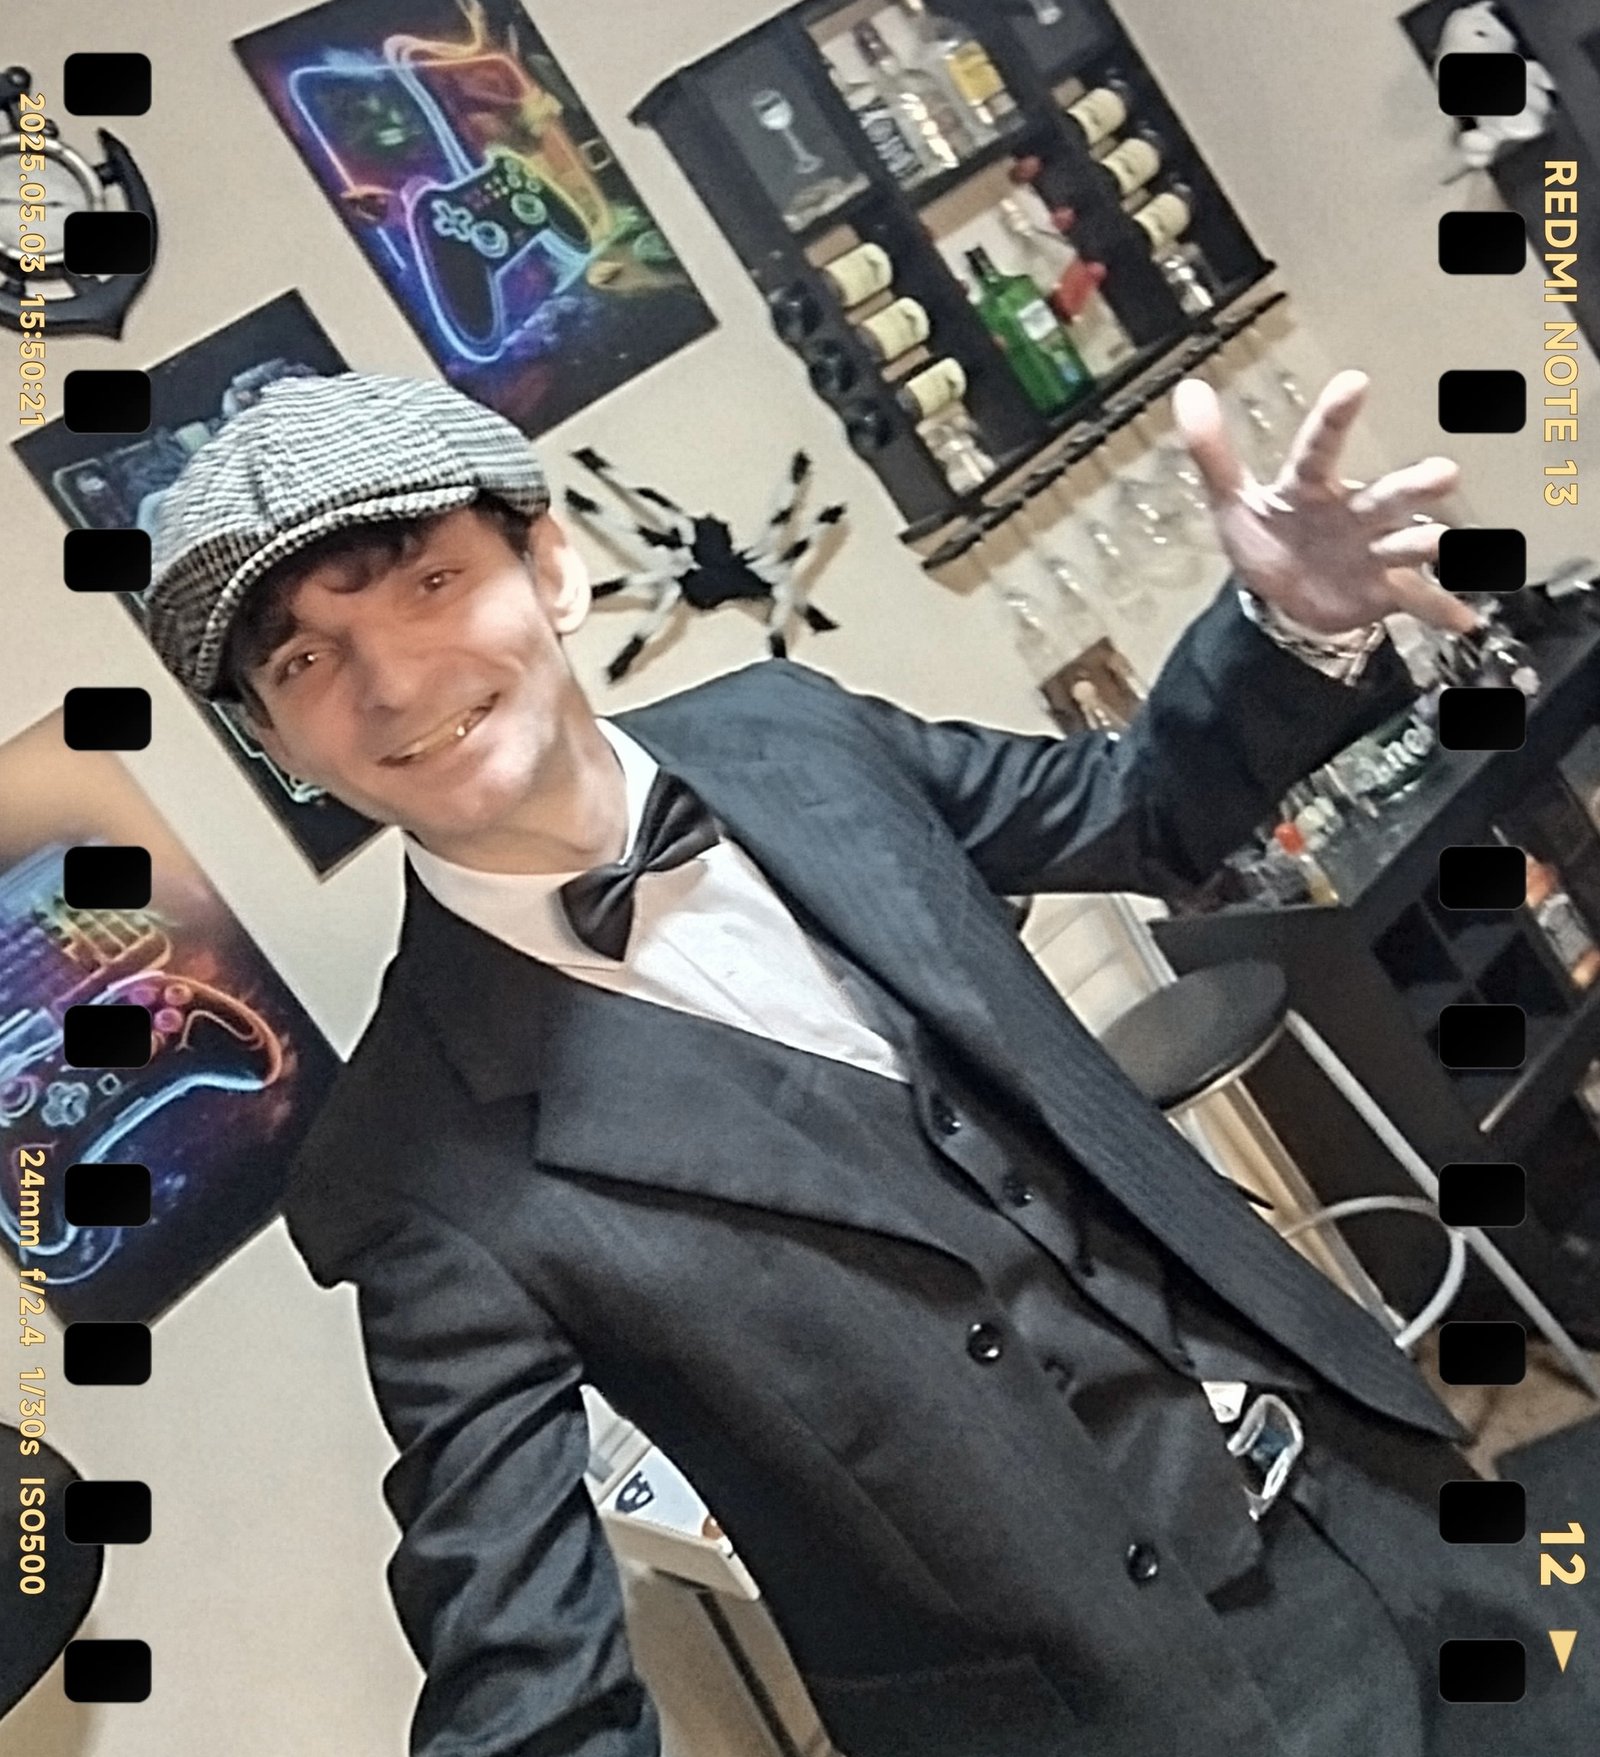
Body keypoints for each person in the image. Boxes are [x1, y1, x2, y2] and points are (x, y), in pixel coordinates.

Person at [142, 368, 1583, 1757]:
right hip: (1124, 1713)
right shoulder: (404, 1164)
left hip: (1377, 1482)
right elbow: (518, 1653)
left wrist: (1287, 627)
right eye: (303, 659)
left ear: (554, 566)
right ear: (277, 745)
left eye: (430, 580)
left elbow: (1133, 813)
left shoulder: (791, 730)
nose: (394, 678)